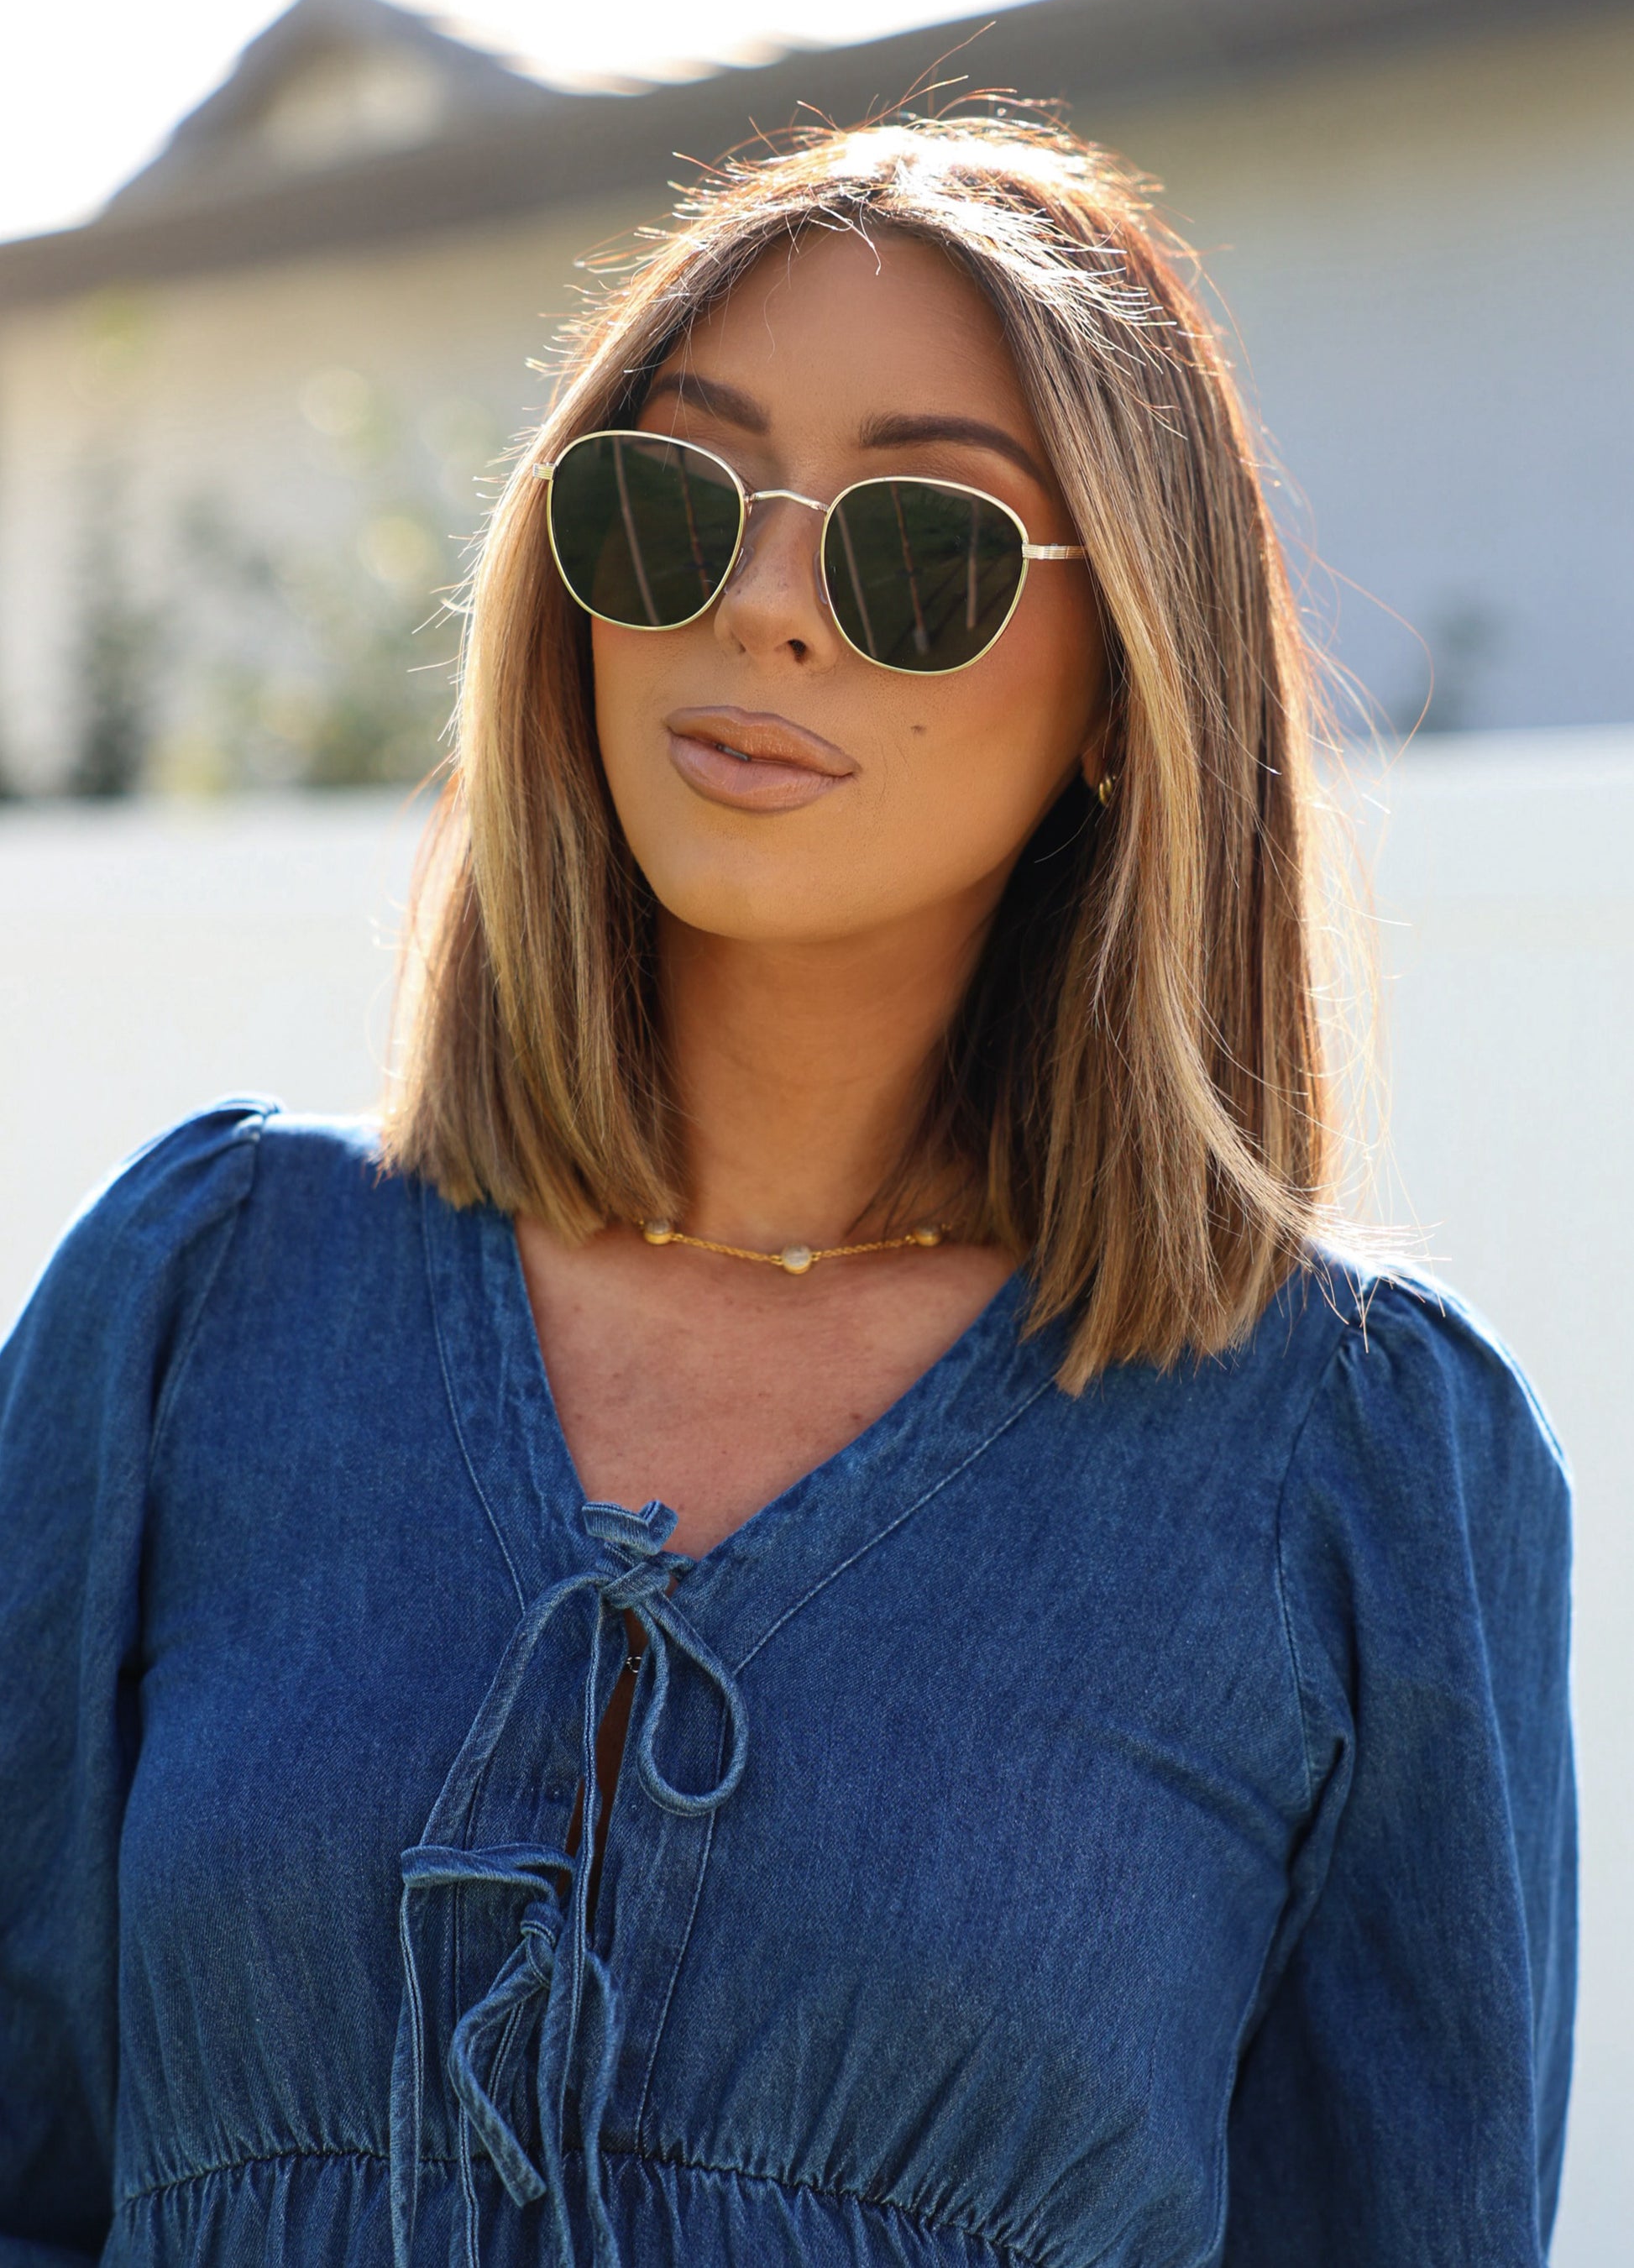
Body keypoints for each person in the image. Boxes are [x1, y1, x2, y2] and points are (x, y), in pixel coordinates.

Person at [0, 119, 1574, 2268]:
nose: (754, 604)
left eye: (913, 548)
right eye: (667, 504)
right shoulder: (200, 1305)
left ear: (1124, 687)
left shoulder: (1357, 1463)